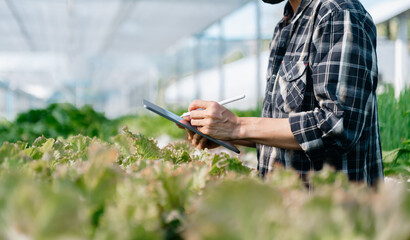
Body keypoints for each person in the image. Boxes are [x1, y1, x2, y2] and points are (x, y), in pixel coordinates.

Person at [181, 0, 384, 186]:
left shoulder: (337, 13)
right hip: (284, 210)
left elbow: (337, 125)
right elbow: (284, 126)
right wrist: (223, 133)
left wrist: (237, 126)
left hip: (328, 216)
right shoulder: (286, 24)